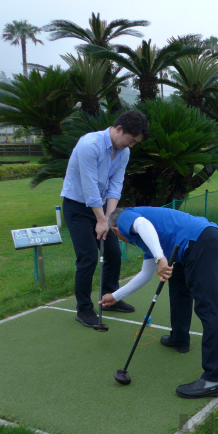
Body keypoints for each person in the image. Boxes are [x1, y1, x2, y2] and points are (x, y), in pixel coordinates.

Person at [99, 206, 218, 399]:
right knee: (178, 287)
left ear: (115, 229)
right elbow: (145, 275)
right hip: (195, 244)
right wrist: (116, 296)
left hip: (200, 241)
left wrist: (161, 258)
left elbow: (144, 224)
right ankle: (179, 338)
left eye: (116, 235)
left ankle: (215, 379)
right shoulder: (146, 241)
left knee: (209, 308)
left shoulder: (125, 217)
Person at [60, 111, 149, 329]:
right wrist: (100, 219)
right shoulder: (89, 145)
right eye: (131, 140)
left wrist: (107, 219)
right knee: (88, 257)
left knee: (113, 253)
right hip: (77, 207)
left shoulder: (123, 152)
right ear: (119, 129)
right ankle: (84, 309)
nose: (131, 146)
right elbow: (90, 187)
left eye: (135, 143)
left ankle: (110, 299)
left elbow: (115, 185)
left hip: (100, 207)